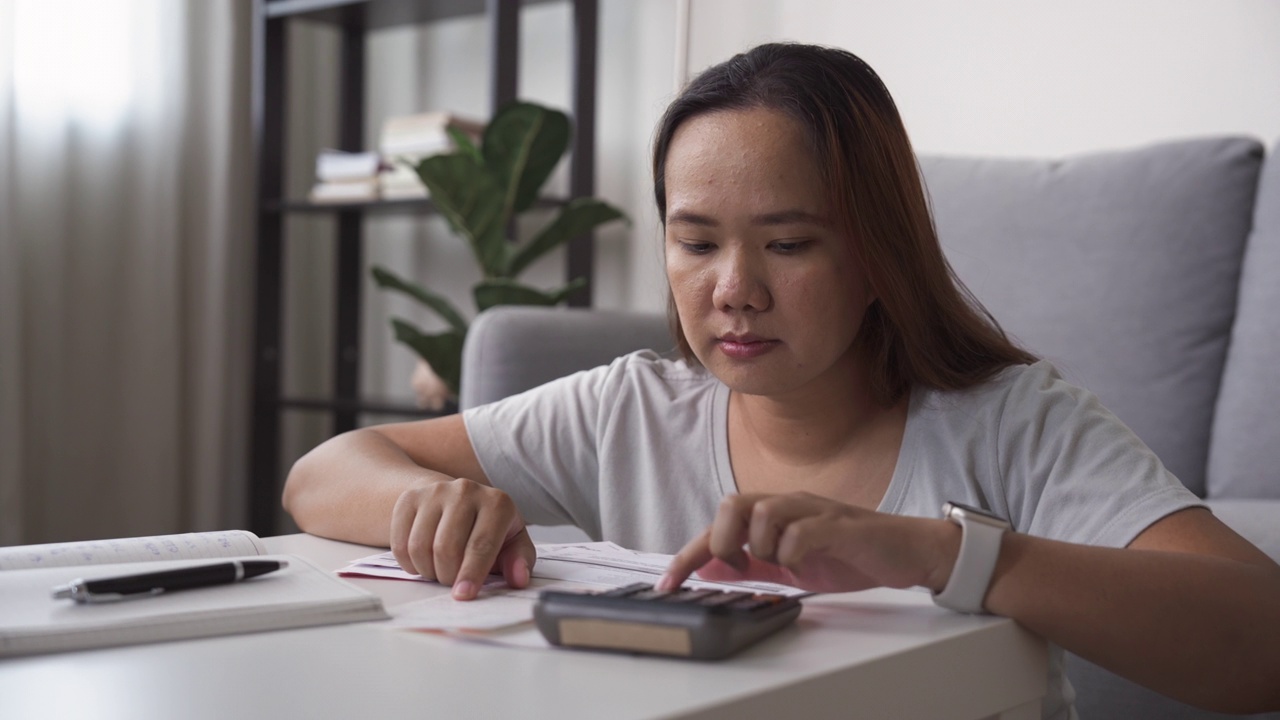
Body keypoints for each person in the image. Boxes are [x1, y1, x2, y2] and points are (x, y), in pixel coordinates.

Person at [282, 43, 1280, 718]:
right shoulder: (629, 409)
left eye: (788, 243)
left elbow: (1257, 641)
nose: (733, 291)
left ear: (877, 254)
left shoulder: (1013, 424)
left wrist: (935, 553)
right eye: (695, 241)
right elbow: (322, 474)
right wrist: (428, 502)